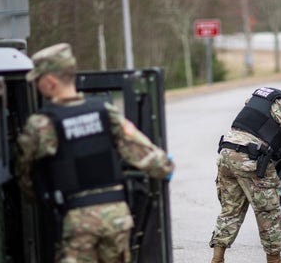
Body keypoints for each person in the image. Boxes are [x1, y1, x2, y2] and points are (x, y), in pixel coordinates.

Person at [15, 43, 174, 263]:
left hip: (78, 221)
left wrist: (39, 200)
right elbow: (145, 154)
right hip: (117, 217)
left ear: (50, 82)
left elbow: (25, 174)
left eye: (38, 80)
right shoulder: (104, 112)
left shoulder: (42, 124)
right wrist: (165, 166)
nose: (37, 85)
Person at [209, 69, 281, 263]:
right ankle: (274, 259)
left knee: (230, 211)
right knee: (270, 212)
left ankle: (217, 258)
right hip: (250, 159)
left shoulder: (261, 95)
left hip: (226, 154)